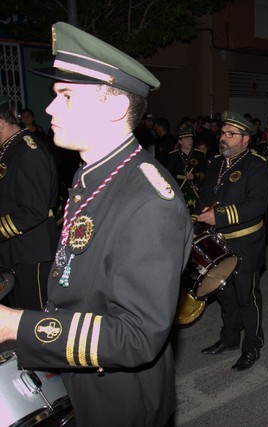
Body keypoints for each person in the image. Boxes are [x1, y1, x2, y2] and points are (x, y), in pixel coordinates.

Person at [0, 22, 193, 427]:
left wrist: (18, 325)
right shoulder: (95, 175)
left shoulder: (148, 201)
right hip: (82, 372)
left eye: (65, 96)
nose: (49, 108)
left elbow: (139, 337)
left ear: (114, 107)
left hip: (119, 396)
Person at [196, 111, 268, 371]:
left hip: (245, 244)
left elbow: (257, 205)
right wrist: (200, 213)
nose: (223, 139)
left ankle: (252, 346)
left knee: (246, 298)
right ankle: (229, 339)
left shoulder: (258, 166)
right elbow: (205, 195)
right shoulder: (217, 164)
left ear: (245, 140)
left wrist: (217, 216)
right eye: (222, 133)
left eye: (231, 135)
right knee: (225, 296)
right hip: (218, 245)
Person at [0, 97, 59, 310]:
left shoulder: (29, 151)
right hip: (15, 250)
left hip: (32, 251)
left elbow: (35, 210)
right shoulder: (9, 149)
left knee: (35, 319)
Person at [165, 127, 208, 213]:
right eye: (187, 139)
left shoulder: (199, 154)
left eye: (191, 138)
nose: (190, 141)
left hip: (195, 192)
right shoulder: (173, 156)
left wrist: (194, 176)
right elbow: (168, 176)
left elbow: (205, 174)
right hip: (179, 192)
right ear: (180, 141)